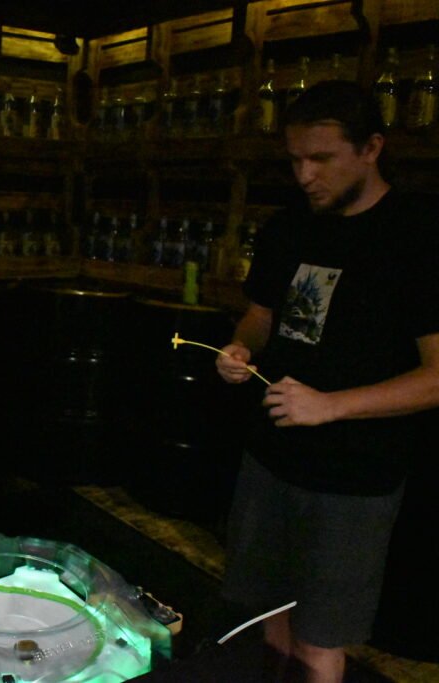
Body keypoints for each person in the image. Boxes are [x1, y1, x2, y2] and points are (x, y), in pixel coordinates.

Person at [215, 80, 439, 682]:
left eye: (322, 158)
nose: (305, 176)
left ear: (372, 148)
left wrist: (331, 405)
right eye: (295, 160)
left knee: (320, 640)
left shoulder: (417, 236)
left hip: (353, 480)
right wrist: (241, 346)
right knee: (268, 619)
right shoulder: (288, 227)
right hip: (270, 456)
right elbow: (261, 316)